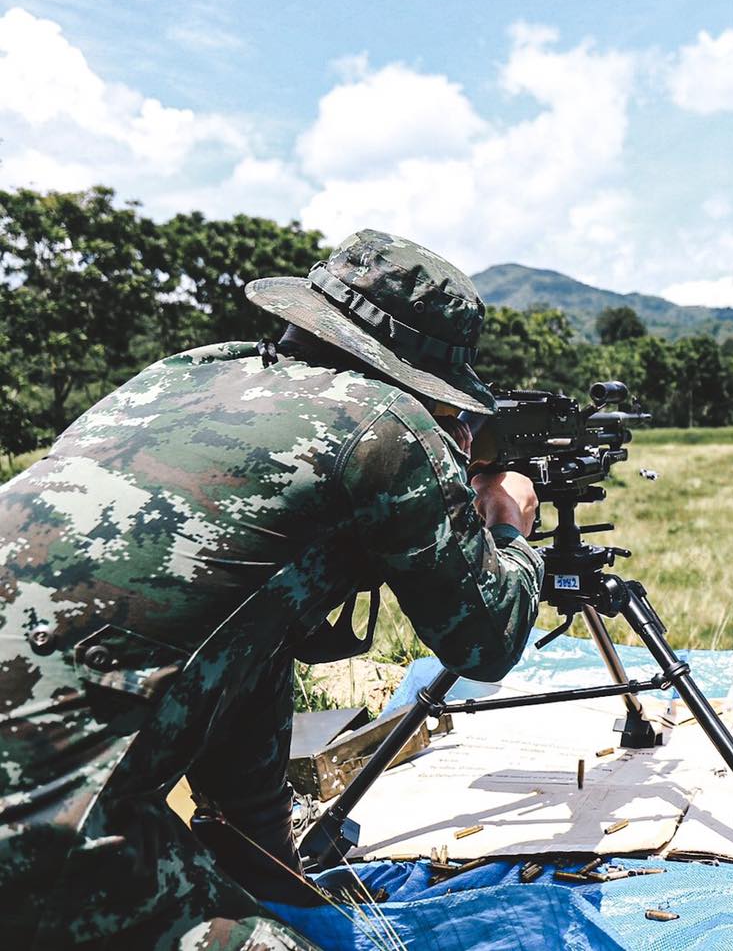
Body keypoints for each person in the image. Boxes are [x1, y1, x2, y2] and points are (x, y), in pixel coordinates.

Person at [0, 229, 544, 949]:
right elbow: (486, 643)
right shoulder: (384, 422)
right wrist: (509, 526)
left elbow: (250, 634)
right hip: (40, 824)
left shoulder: (179, 374)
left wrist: (271, 868)